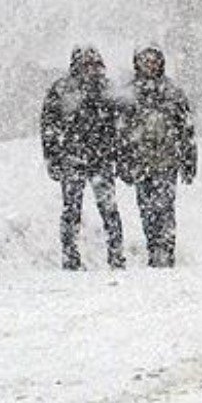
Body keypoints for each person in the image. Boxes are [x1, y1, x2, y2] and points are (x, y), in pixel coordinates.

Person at [40, 45, 125, 270]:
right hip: (73, 158)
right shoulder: (61, 89)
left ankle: (116, 256)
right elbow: (49, 126)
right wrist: (52, 157)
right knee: (71, 210)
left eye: (94, 63)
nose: (91, 68)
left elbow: (120, 125)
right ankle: (70, 256)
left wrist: (118, 153)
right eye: (87, 63)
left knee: (109, 209)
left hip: (100, 159)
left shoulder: (107, 89)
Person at [119, 46, 196, 268]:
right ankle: (153, 248)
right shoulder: (129, 94)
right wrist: (124, 161)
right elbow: (121, 132)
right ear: (138, 63)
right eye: (145, 61)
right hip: (140, 162)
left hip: (167, 161)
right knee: (146, 209)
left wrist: (189, 161)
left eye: (154, 61)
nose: (150, 65)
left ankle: (166, 251)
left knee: (165, 207)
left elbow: (186, 129)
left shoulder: (173, 92)